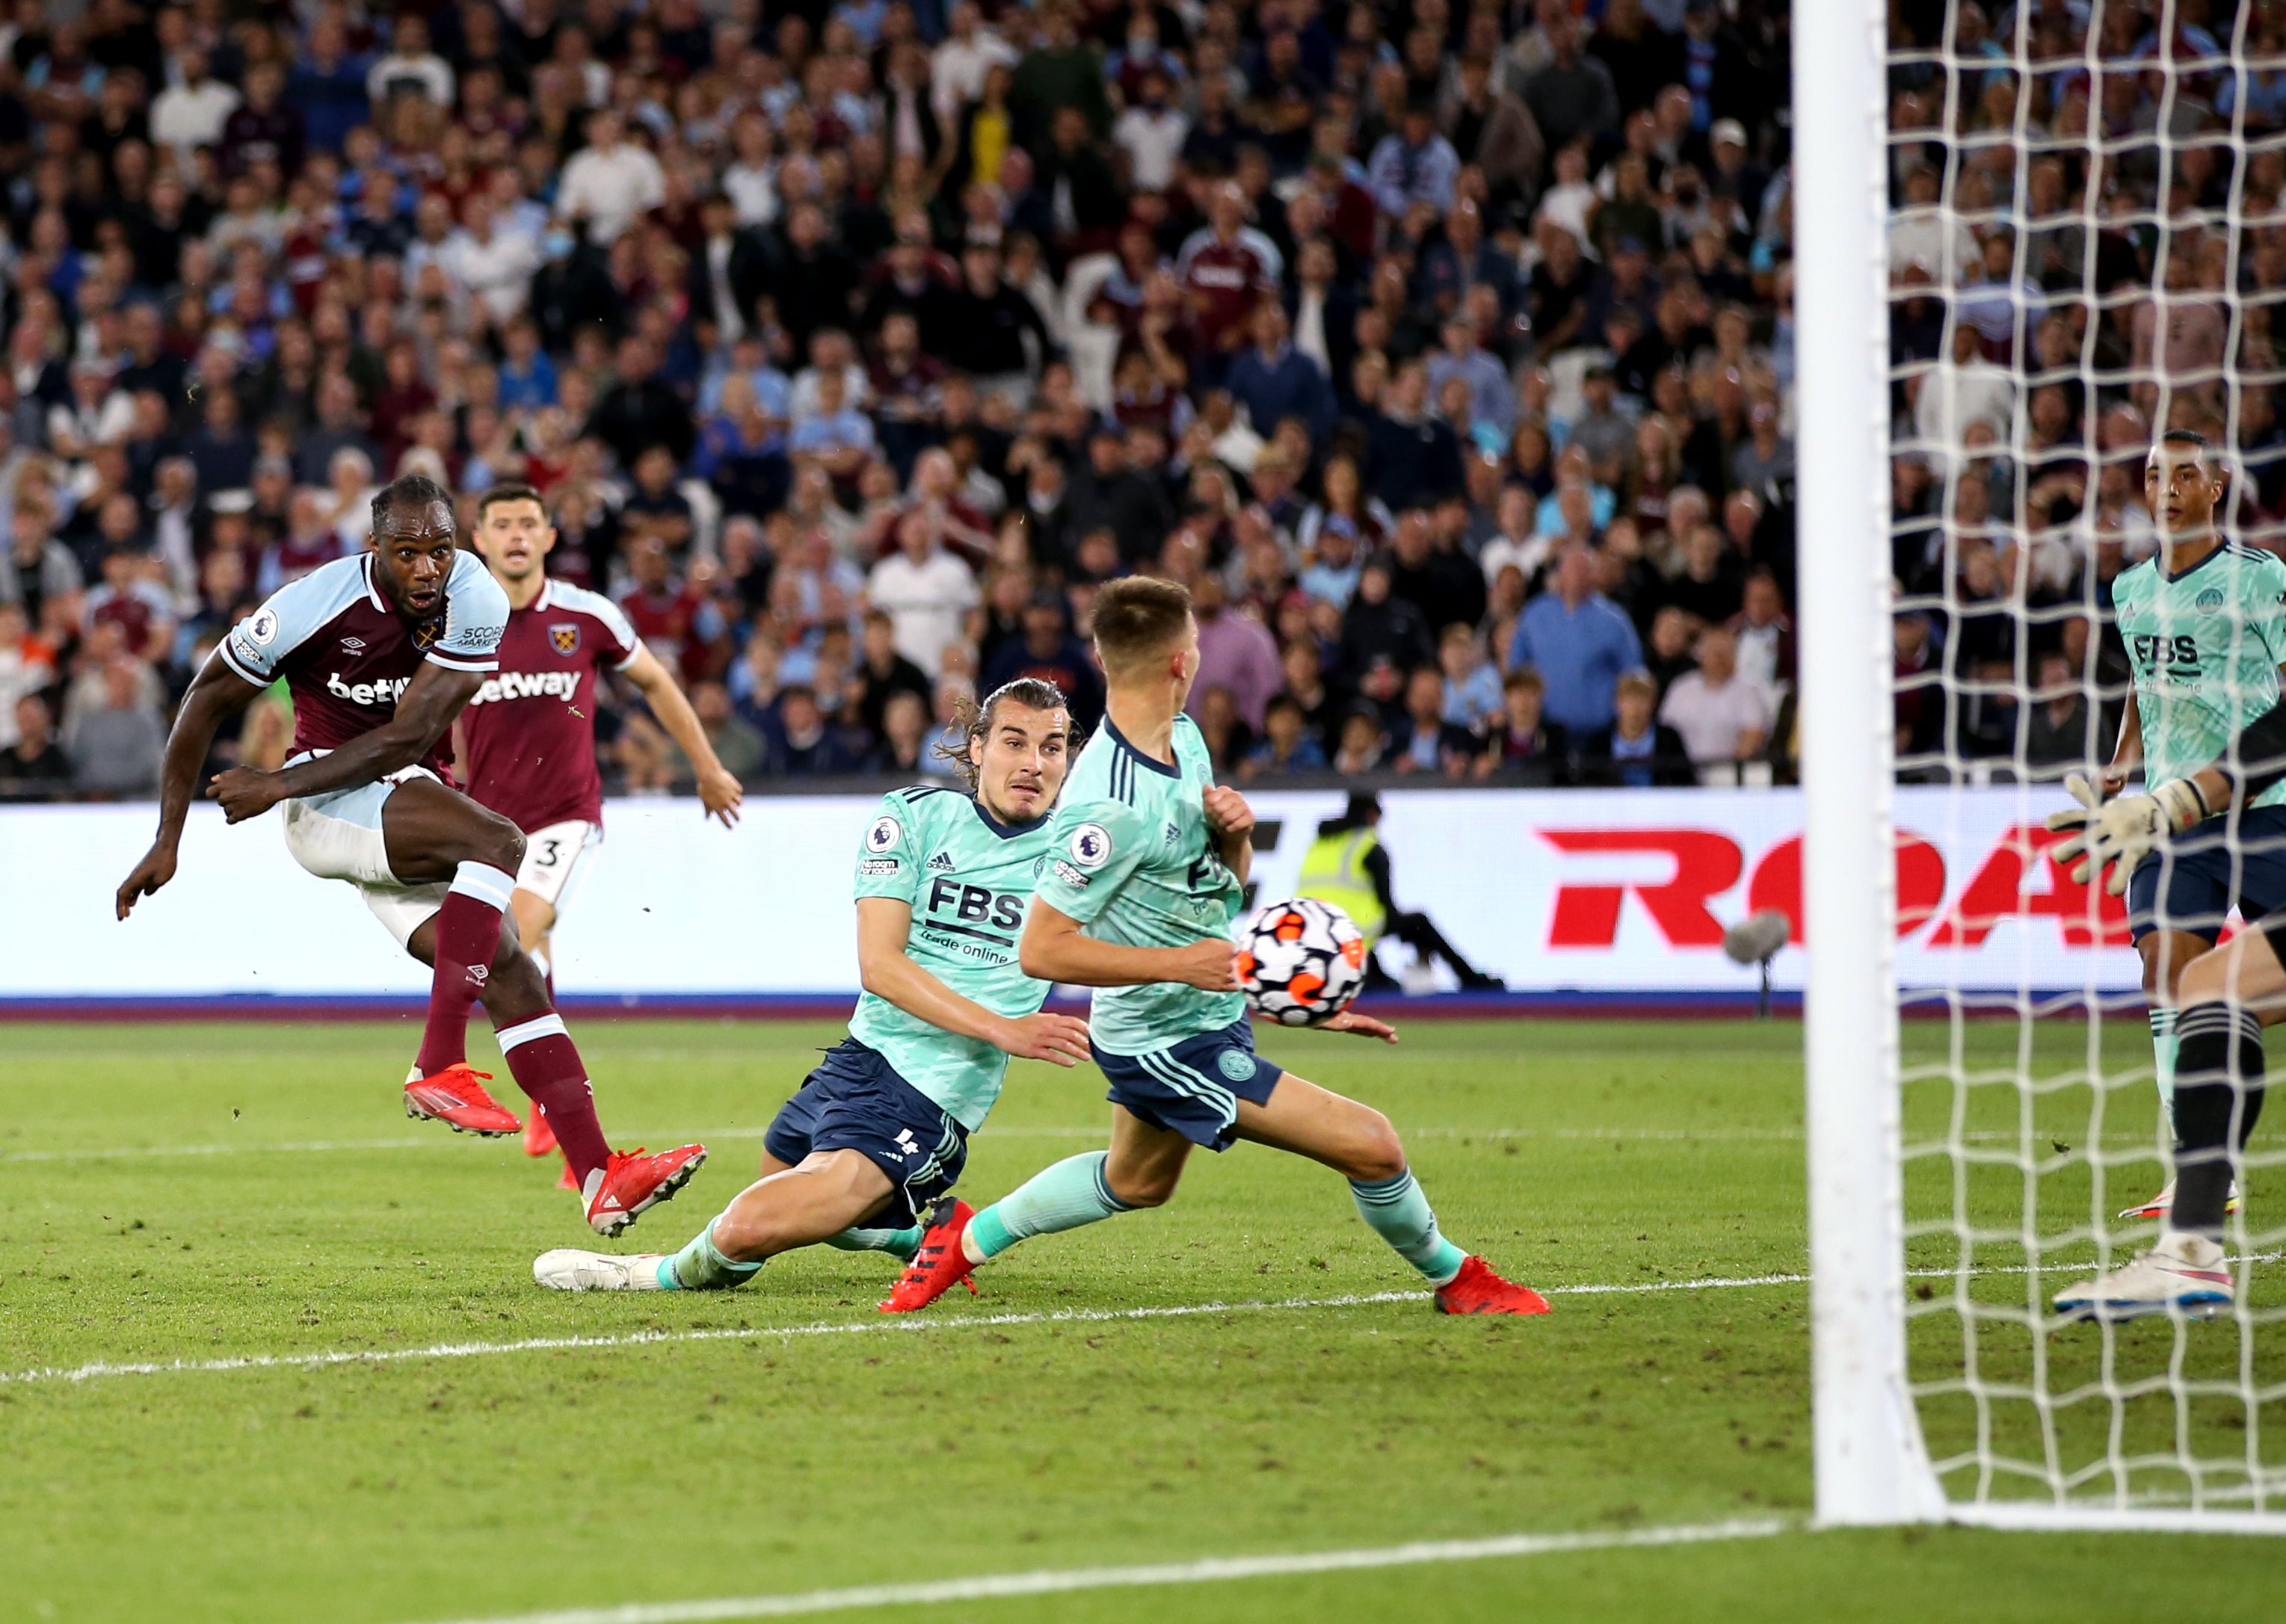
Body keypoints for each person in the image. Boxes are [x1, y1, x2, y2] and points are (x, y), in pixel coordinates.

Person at [879, 578, 1544, 1316]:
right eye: (1193, 640)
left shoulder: (1184, 738)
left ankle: (962, 1238)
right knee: (1373, 1143)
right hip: (1164, 1036)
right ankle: (1457, 1279)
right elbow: (1043, 949)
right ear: (1178, 661)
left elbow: (1212, 894)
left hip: (1200, 1008)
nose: (1198, 652)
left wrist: (1237, 850)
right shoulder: (1108, 805)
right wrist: (1180, 966)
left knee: (1136, 1181)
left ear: (1102, 655)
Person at [113, 475, 704, 1238]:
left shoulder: (477, 597)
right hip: (327, 807)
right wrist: (169, 837)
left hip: (391, 790)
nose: (427, 569)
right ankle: (435, 1065)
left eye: (440, 549)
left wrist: (272, 780)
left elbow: (404, 734)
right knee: (499, 839)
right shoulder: (311, 602)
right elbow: (205, 697)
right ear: (375, 549)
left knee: (512, 965)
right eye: (407, 553)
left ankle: (600, 1177)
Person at [529, 680, 1091, 1293]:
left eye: (1053, 747)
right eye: (1015, 742)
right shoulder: (913, 816)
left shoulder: (1079, 854)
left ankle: (644, 1275)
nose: (1034, 763)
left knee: (746, 1225)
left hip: (929, 1097)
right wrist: (1007, 1028)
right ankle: (922, 1235)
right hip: (858, 1061)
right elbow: (880, 965)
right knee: (794, 1193)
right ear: (978, 748)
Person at [462, 486, 746, 1173]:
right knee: (530, 960)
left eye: (528, 523)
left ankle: (551, 1108)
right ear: (480, 539)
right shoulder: (458, 622)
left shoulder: (585, 616)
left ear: (550, 537)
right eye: (502, 525)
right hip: (484, 825)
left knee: (511, 940)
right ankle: (556, 1108)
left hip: (565, 818)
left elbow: (656, 681)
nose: (516, 535)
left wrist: (705, 766)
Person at [2045, 430, 2286, 1233]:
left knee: (2238, 983)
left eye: (2185, 474)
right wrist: (2120, 767)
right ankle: (2199, 1171)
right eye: (2154, 475)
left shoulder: (2259, 580)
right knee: (2164, 972)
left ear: (2216, 486)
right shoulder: (2127, 590)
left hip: (2262, 806)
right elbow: (2141, 687)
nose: (2168, 488)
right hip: (2165, 816)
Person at [1298, 791, 1503, 994]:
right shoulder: (1368, 846)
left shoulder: (1320, 843)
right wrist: (1420, 943)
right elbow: (1386, 906)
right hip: (1353, 930)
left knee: (1370, 933)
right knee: (1418, 923)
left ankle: (1377, 975)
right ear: (1372, 815)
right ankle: (1470, 979)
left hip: (1313, 928)